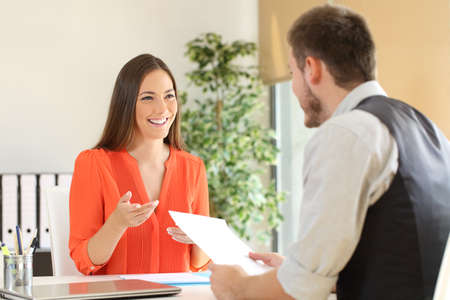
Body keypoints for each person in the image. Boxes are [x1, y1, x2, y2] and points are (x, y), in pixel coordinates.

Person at [209, 4, 450, 300]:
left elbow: (299, 292)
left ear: (312, 68)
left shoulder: (347, 133)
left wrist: (238, 286)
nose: (294, 89)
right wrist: (301, 270)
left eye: (292, 72)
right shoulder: (428, 130)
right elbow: (397, 260)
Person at [69, 54, 210, 275]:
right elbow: (84, 261)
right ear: (126, 104)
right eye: (147, 98)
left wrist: (202, 239)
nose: (162, 109)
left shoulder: (193, 167)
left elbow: (198, 264)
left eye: (169, 96)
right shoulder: (93, 163)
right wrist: (116, 224)